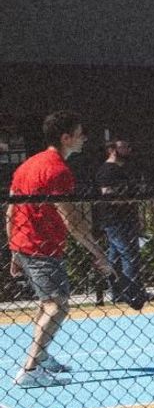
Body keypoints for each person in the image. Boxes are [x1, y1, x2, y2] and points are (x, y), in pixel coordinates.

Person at [8, 112, 120, 387]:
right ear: (65, 138)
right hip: (41, 247)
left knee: (47, 303)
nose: (84, 138)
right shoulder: (58, 171)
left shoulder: (27, 165)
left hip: (27, 244)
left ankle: (42, 358)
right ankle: (30, 370)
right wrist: (100, 254)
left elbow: (11, 210)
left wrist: (13, 250)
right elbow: (72, 222)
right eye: (80, 133)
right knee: (56, 305)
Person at [94, 135, 145, 302]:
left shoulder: (123, 169)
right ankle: (132, 293)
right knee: (129, 254)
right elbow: (107, 194)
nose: (128, 150)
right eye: (123, 147)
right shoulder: (107, 170)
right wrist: (127, 199)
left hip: (125, 218)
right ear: (112, 150)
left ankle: (117, 293)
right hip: (114, 220)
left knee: (115, 257)